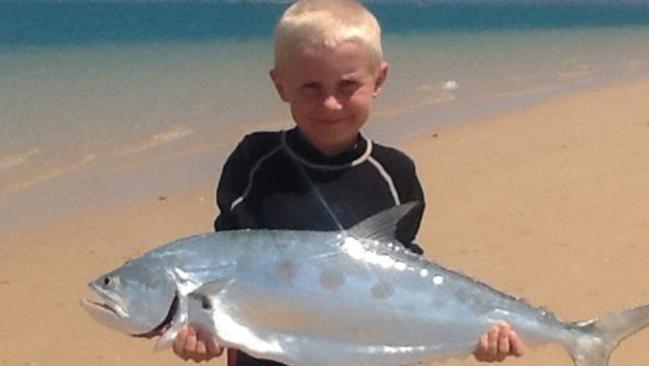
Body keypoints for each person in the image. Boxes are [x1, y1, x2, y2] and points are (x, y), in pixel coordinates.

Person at [173, 0, 524, 365]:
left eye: (347, 85)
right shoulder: (252, 162)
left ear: (379, 81)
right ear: (281, 85)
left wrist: (476, 334)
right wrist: (197, 330)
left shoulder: (394, 173)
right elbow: (222, 268)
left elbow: (404, 280)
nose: (330, 104)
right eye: (311, 87)